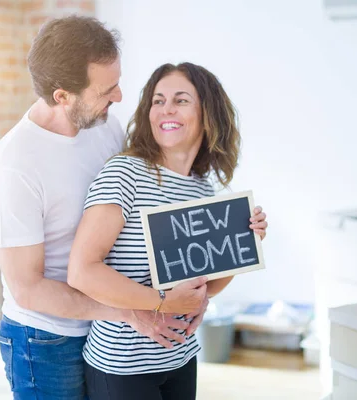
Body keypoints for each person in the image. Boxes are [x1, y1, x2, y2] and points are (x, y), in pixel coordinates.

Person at [0, 17, 226, 400]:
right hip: (46, 339)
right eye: (106, 90)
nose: (119, 97)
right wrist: (131, 311)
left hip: (105, 327)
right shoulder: (15, 163)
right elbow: (28, 290)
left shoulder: (103, 126)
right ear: (63, 96)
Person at [68, 62, 268, 400]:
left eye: (180, 100)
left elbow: (203, 286)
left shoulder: (202, 190)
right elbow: (82, 271)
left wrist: (246, 243)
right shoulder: (125, 173)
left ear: (207, 113)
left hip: (182, 357)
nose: (166, 109)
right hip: (122, 367)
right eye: (158, 101)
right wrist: (161, 302)